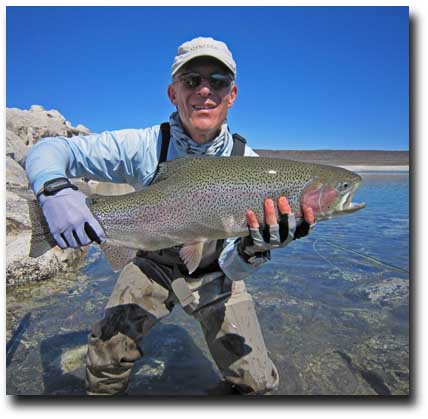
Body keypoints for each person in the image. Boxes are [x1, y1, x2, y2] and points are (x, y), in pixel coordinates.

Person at [25, 37, 315, 396]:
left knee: (257, 385)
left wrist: (252, 251)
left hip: (215, 273)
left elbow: (233, 268)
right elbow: (48, 150)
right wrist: (54, 190)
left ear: (233, 94)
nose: (205, 91)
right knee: (104, 363)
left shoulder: (253, 168)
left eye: (218, 82)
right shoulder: (142, 145)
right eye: (192, 80)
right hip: (151, 264)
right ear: (173, 92)